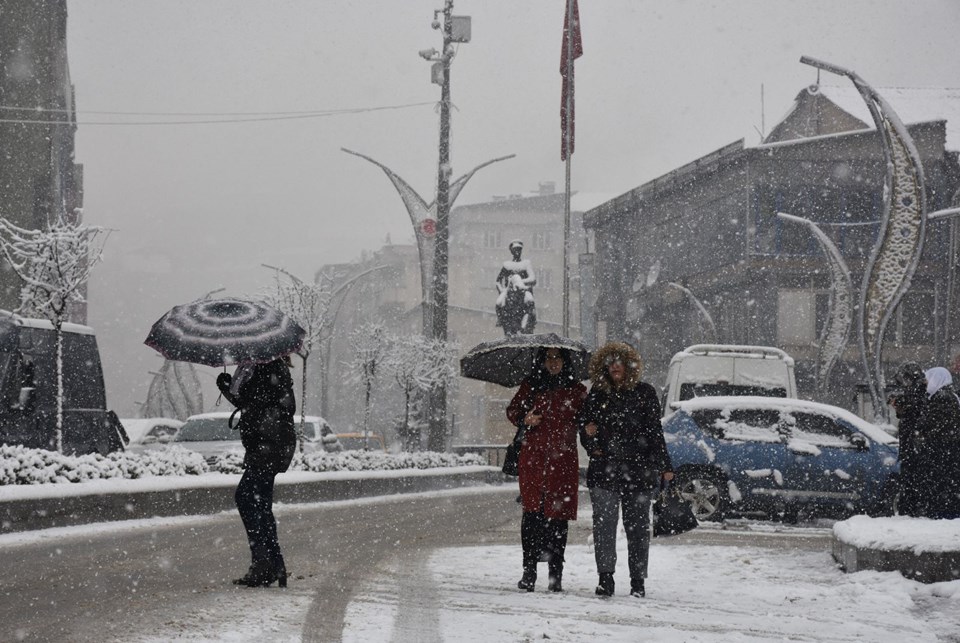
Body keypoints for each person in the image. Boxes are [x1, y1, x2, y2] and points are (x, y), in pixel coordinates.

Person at [578, 342, 673, 598]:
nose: (615, 366)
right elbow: (585, 430)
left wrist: (665, 466)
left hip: (638, 472)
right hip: (604, 471)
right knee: (604, 526)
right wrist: (592, 442)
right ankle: (605, 578)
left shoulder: (644, 393)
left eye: (620, 361)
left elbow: (655, 433)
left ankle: (637, 581)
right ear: (604, 367)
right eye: (611, 362)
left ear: (629, 365)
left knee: (639, 528)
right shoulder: (596, 395)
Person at [506, 347, 587, 593]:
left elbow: (587, 419)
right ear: (541, 362)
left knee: (558, 519)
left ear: (566, 361)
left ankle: (555, 575)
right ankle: (529, 571)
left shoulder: (577, 391)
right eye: (548, 358)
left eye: (558, 358)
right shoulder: (531, 386)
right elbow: (513, 411)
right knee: (532, 515)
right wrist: (525, 419)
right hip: (533, 460)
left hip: (562, 462)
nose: (553, 363)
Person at [217, 355, 297, 587]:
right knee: (259, 504)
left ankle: (266, 563)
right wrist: (227, 389)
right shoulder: (254, 367)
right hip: (263, 444)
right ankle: (271, 563)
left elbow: (275, 403)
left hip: (269, 444)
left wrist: (243, 393)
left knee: (248, 498)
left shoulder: (272, 366)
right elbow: (250, 404)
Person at [920, 367, 960, 519]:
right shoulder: (950, 396)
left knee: (941, 483)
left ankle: (942, 513)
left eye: (929, 379)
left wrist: (921, 425)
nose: (926, 383)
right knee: (947, 483)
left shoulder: (942, 398)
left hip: (943, 448)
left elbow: (932, 423)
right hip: (947, 448)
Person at [889, 362, 928, 517]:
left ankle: (910, 509)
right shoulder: (917, 390)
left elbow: (912, 411)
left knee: (911, 478)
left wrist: (900, 404)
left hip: (913, 443)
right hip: (911, 442)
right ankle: (910, 507)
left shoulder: (918, 390)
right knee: (910, 477)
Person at [495, 239, 537, 335]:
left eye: (519, 249)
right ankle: (501, 320)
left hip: (523, 290)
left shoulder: (526, 263)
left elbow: (533, 279)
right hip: (509, 290)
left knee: (530, 301)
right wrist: (501, 291)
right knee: (498, 303)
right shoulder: (507, 265)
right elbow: (498, 281)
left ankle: (530, 320)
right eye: (515, 249)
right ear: (511, 251)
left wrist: (519, 281)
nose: (517, 251)